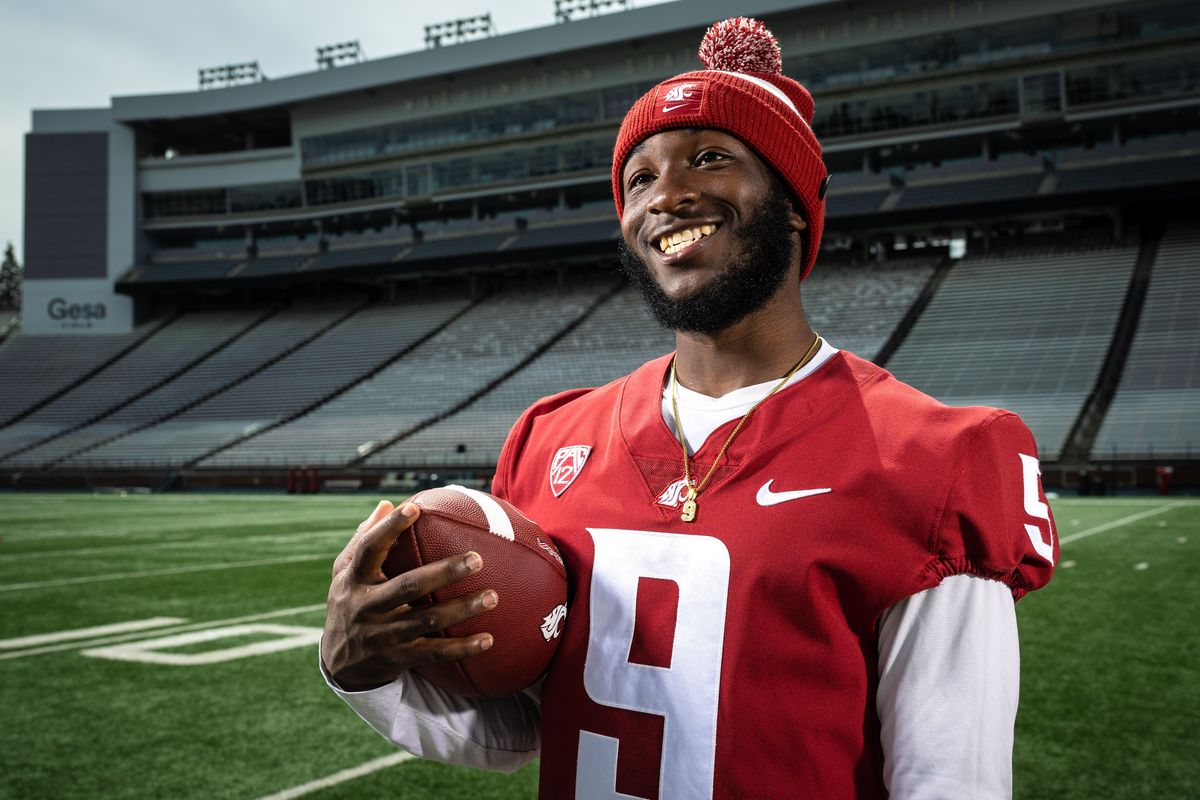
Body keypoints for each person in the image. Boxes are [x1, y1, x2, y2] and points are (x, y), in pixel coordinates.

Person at [321, 17, 1058, 799]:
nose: (668, 196)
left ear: (796, 206)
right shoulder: (551, 439)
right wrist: (363, 667)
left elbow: (951, 780)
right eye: (639, 179)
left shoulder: (932, 457)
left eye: (710, 158)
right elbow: (522, 725)